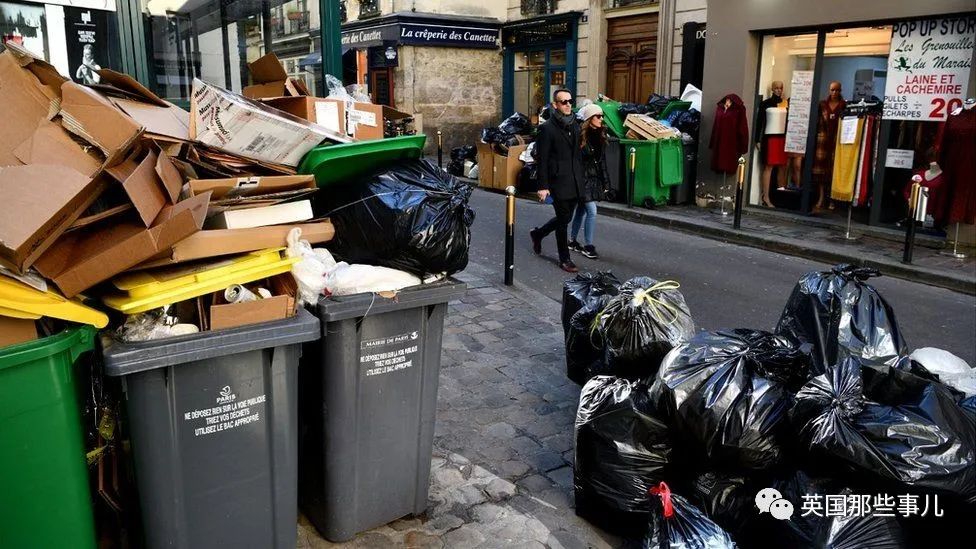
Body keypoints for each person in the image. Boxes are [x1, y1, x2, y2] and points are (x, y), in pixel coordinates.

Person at [530, 89, 585, 273]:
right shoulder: (547, 128)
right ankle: (564, 259)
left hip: (575, 179)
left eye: (570, 101)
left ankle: (538, 234)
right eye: (564, 102)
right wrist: (543, 186)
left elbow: (578, 154)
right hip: (557, 181)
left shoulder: (576, 124)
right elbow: (542, 159)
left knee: (566, 217)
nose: (568, 104)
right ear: (555, 105)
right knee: (563, 220)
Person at [568, 103, 610, 259]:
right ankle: (588, 246)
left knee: (581, 210)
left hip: (593, 180)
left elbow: (602, 162)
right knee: (592, 211)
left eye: (601, 116)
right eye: (598, 116)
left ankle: (572, 240)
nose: (601, 119)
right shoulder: (580, 136)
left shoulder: (600, 135)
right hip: (581, 180)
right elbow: (574, 161)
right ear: (589, 119)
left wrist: (606, 184)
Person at [812, 81, 846, 211]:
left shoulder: (844, 106)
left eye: (837, 90)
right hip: (823, 140)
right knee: (820, 171)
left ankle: (832, 199)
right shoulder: (822, 105)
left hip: (837, 141)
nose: (834, 92)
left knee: (834, 171)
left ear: (840, 90)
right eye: (832, 90)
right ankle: (821, 197)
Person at [756, 81, 788, 207]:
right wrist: (757, 140)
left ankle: (780, 195)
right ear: (772, 89)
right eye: (776, 88)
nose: (779, 90)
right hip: (770, 138)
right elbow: (759, 122)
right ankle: (766, 196)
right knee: (768, 167)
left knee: (782, 167)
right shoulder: (766, 104)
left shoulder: (786, 103)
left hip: (782, 137)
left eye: (781, 88)